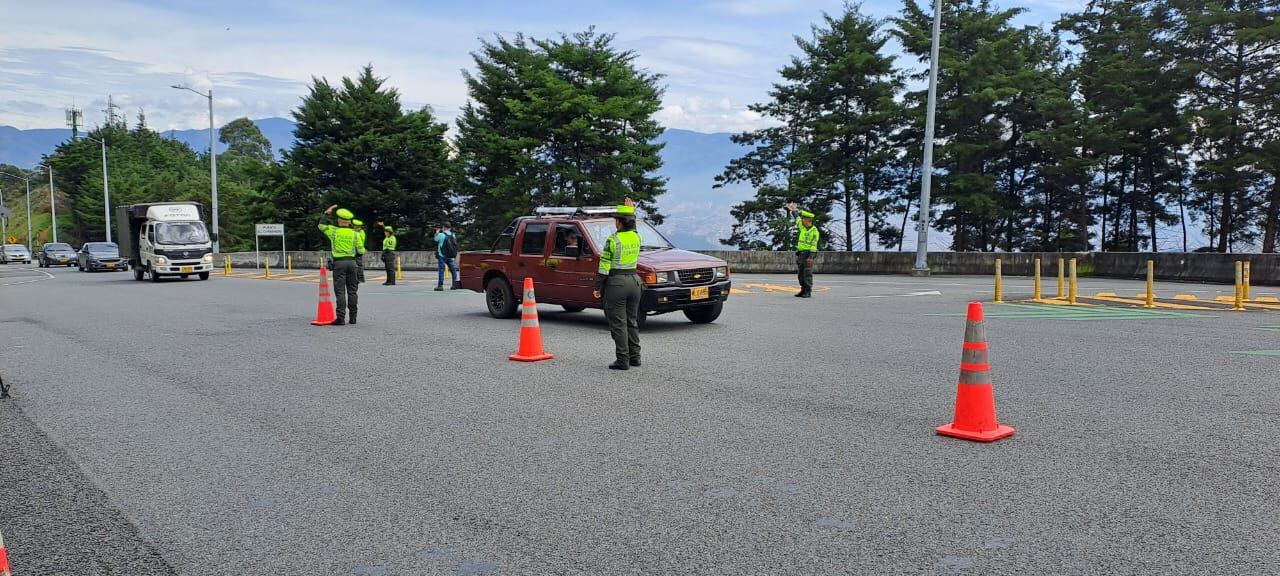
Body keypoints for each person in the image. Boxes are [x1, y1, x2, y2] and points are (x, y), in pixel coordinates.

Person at [594, 199, 642, 370]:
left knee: (618, 324)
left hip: (617, 284)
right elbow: (633, 227)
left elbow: (604, 266)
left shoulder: (613, 239)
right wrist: (631, 211)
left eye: (616, 219)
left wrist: (598, 286)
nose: (615, 222)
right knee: (631, 321)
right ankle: (635, 358)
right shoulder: (636, 236)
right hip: (635, 281)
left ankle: (622, 360)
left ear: (620, 222)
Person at [318, 205, 360, 325]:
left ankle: (341, 318)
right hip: (352, 263)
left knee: (340, 291)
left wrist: (326, 213)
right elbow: (360, 250)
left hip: (339, 263)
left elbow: (321, 226)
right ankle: (353, 318)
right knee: (352, 291)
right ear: (349, 221)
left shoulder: (334, 231)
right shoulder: (355, 234)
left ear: (339, 220)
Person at [786, 201, 820, 298]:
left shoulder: (814, 231)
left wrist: (811, 257)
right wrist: (793, 210)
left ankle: (808, 291)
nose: (802, 221)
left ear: (808, 220)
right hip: (801, 254)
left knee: (807, 273)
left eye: (803, 219)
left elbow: (814, 245)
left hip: (808, 255)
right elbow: (797, 218)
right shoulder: (803, 227)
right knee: (800, 274)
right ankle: (803, 290)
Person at [434, 222, 459, 291]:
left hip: (442, 255)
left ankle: (440, 286)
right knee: (453, 270)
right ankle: (454, 285)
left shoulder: (441, 235)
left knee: (441, 270)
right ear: (450, 228)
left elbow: (435, 239)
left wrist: (437, 232)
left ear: (444, 227)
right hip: (451, 256)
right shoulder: (453, 235)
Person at [352, 219, 368, 283]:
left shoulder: (360, 233)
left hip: (358, 251)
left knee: (359, 265)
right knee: (356, 265)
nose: (353, 227)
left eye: (354, 226)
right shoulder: (359, 232)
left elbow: (358, 241)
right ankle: (358, 278)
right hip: (356, 250)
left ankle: (360, 278)